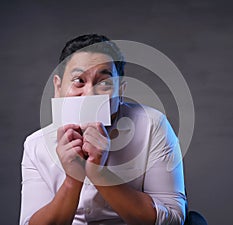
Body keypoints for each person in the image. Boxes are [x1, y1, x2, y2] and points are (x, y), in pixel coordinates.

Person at [19, 34, 187, 225]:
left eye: (105, 83)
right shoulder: (36, 145)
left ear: (121, 91)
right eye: (78, 81)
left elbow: (174, 219)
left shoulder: (152, 126)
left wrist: (99, 173)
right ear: (58, 87)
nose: (90, 93)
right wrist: (73, 180)